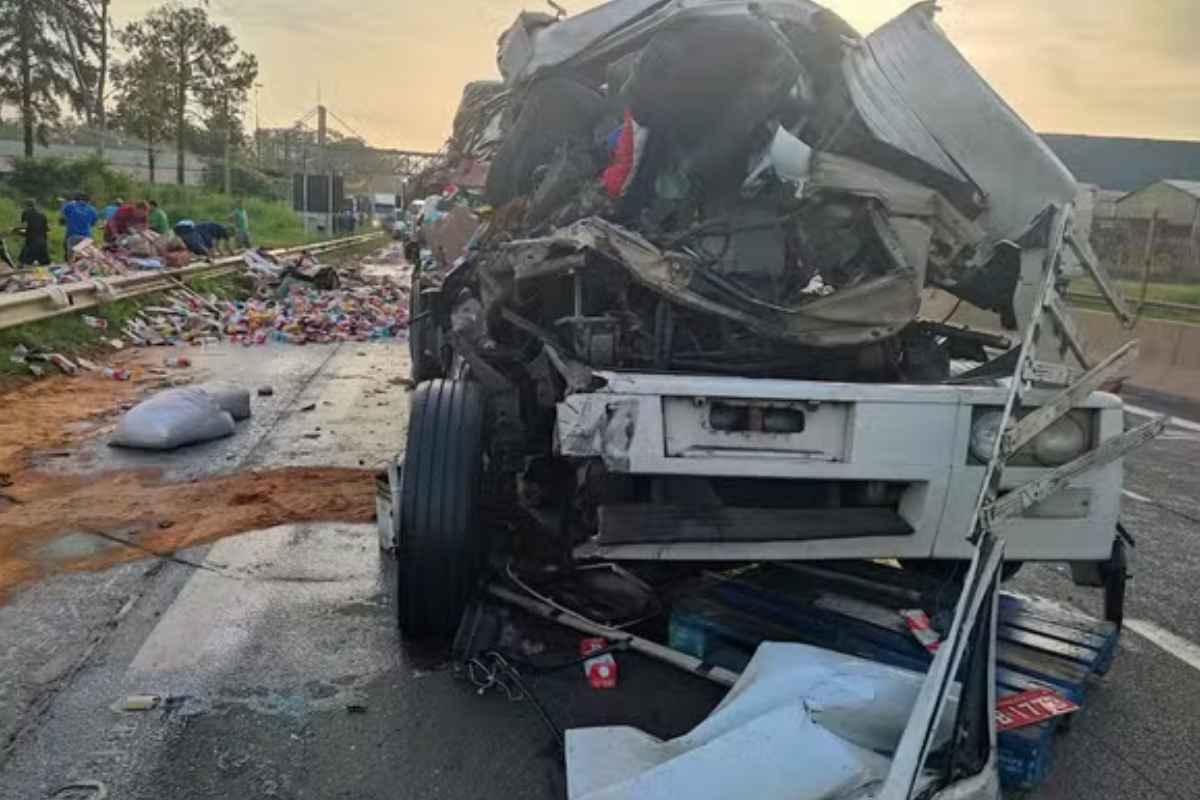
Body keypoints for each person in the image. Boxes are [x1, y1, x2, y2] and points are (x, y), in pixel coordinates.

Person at [59, 193, 98, 261]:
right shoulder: (92, 209)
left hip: (72, 236)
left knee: (71, 259)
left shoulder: (70, 206)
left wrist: (64, 203)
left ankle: (70, 266)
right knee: (84, 260)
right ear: (88, 201)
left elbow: (62, 215)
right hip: (86, 237)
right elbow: (93, 223)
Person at [16, 200, 51, 266]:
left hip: (32, 241)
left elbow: (23, 227)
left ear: (25, 206)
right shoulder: (42, 215)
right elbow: (47, 229)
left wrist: (17, 231)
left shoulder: (26, 213)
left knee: (24, 263)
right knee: (45, 264)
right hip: (42, 242)